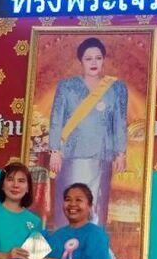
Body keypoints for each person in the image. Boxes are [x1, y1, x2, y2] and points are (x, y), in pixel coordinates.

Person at [48, 37, 127, 229]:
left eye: (98, 58)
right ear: (81, 61)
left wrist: (121, 153)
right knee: (70, 203)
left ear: (103, 60)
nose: (94, 63)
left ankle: (93, 245)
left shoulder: (116, 88)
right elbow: (56, 119)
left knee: (96, 206)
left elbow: (119, 122)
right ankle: (65, 243)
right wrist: (54, 151)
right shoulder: (66, 86)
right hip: (71, 155)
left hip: (102, 156)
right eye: (88, 58)